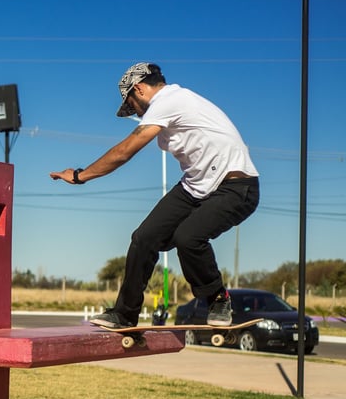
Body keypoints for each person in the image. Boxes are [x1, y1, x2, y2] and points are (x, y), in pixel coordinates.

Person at [50, 62, 259, 328]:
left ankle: (218, 299)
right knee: (144, 238)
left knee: (188, 238)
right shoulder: (175, 105)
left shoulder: (168, 100)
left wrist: (81, 176)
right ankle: (124, 314)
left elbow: (125, 151)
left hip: (236, 187)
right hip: (196, 187)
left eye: (132, 106)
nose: (137, 114)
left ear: (139, 89)